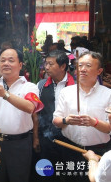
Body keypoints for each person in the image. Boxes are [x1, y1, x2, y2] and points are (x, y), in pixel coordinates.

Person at [0, 48, 43, 182]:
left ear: (20, 65)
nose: (6, 63)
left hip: (20, 143)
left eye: (11, 60)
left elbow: (30, 107)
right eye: (3, 60)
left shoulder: (30, 86)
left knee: (19, 178)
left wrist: (5, 94)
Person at [53, 51, 111, 180]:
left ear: (99, 71)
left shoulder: (108, 94)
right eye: (80, 66)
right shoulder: (66, 92)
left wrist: (94, 122)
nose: (83, 69)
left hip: (99, 152)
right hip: (70, 148)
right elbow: (56, 120)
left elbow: (109, 128)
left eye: (88, 66)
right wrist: (66, 120)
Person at [35, 50, 75, 181]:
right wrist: (36, 137)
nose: (46, 67)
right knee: (46, 173)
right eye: (46, 64)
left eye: (50, 64)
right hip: (47, 138)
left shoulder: (76, 85)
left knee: (67, 173)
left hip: (70, 139)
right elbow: (36, 113)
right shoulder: (41, 85)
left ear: (63, 66)